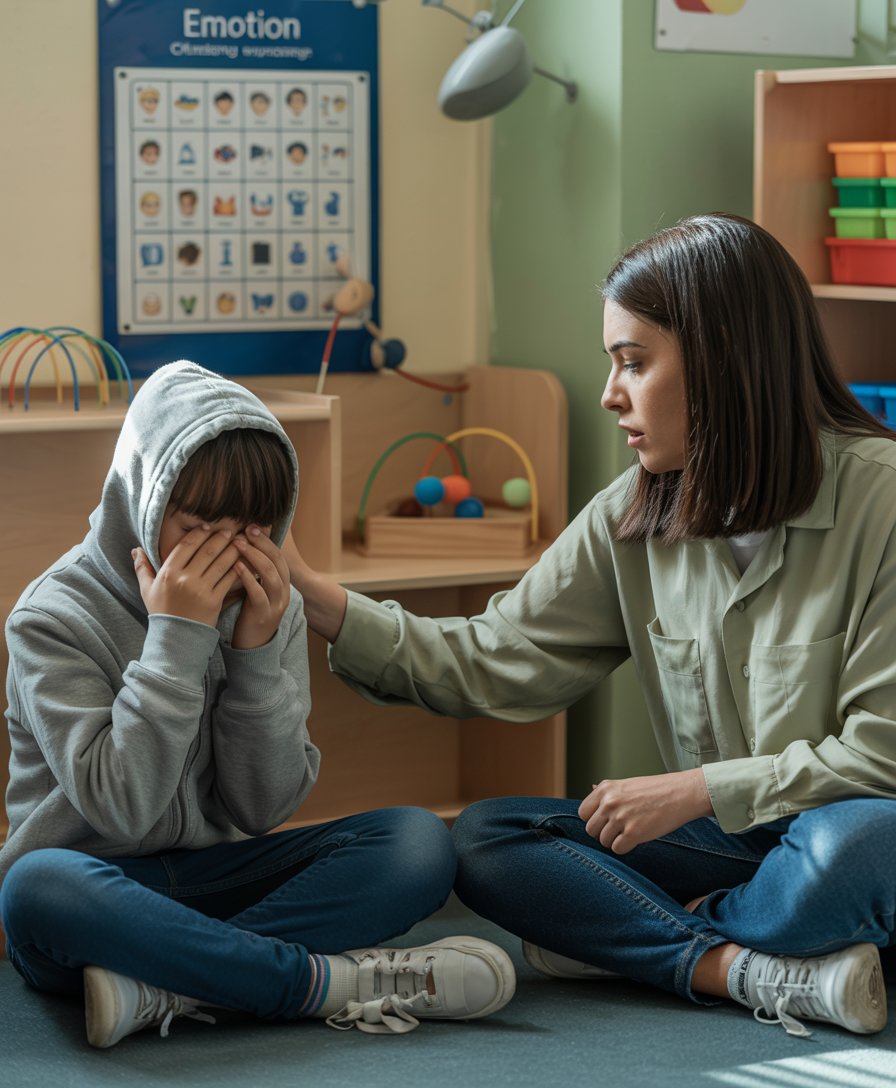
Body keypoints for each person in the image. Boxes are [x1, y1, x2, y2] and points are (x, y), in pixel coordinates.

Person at [284, 213, 896, 1039]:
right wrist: (316, 599)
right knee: (491, 839)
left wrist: (696, 790)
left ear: (721, 356)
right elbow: (494, 658)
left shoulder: (883, 501)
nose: (610, 393)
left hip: (842, 827)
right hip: (735, 847)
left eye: (634, 363)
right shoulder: (631, 515)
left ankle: (654, 934)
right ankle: (736, 966)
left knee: (862, 844)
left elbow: (881, 757)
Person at [0, 361, 514, 1048]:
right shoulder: (52, 617)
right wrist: (176, 640)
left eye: (255, 527)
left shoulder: (270, 605)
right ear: (144, 501)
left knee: (416, 842)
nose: (231, 552)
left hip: (215, 881)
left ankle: (174, 985)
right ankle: (312, 983)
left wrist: (255, 655)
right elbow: (123, 808)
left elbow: (262, 809)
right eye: (200, 526)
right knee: (34, 886)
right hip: (98, 895)